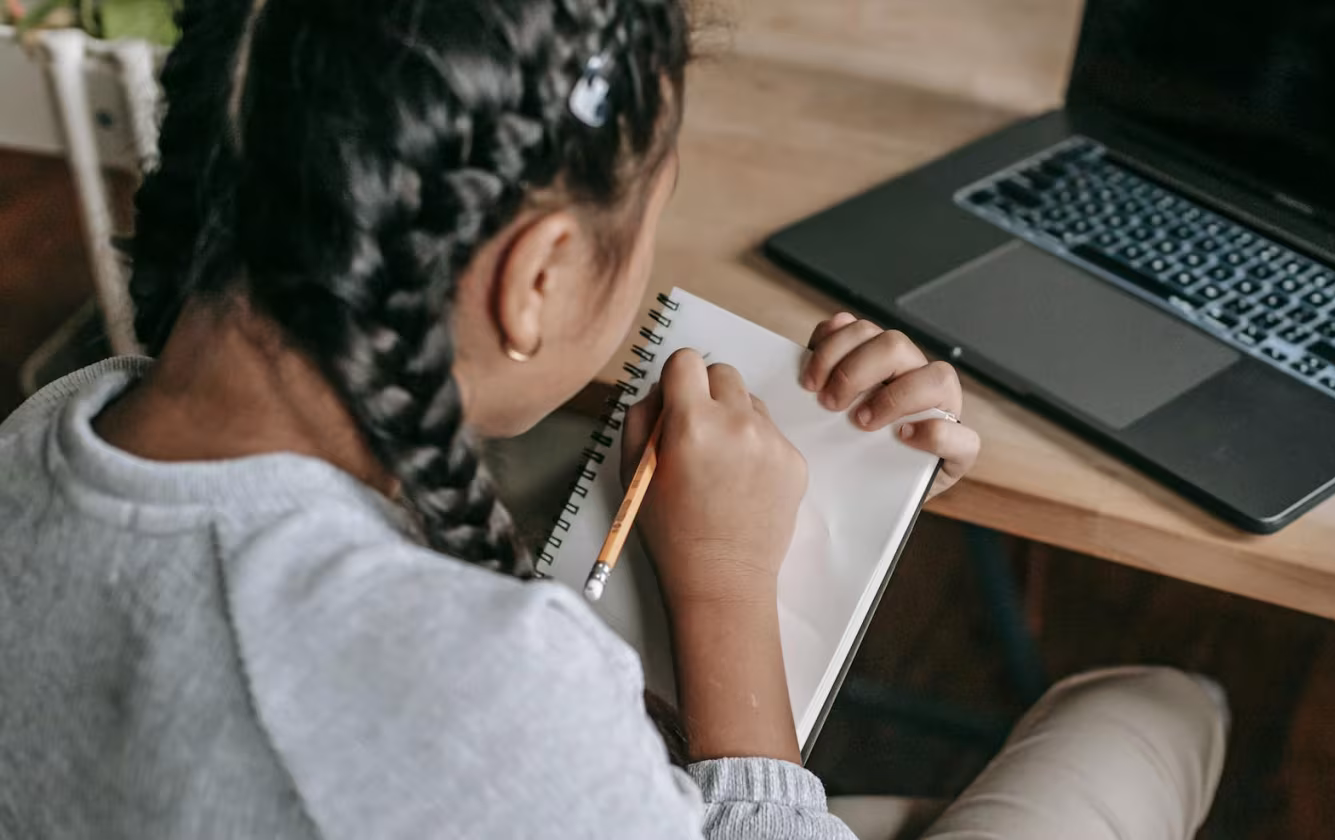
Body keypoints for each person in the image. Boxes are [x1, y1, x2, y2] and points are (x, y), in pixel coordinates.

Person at [0, 0, 1227, 837]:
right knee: (1155, 708)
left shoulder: (50, 433)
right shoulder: (486, 688)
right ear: (533, 279)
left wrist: (854, 461)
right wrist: (729, 588)